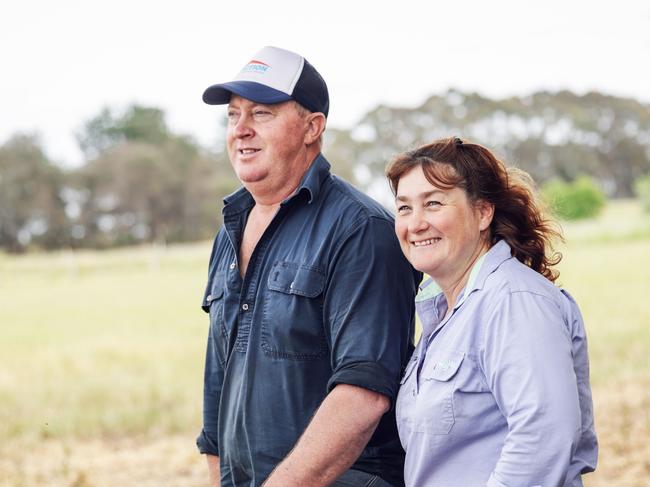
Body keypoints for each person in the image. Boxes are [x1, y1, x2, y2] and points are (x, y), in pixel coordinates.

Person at [197, 46, 420, 487]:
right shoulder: (230, 231)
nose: (240, 130)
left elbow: (364, 394)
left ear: (312, 127)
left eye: (261, 113)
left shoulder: (362, 230)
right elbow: (218, 379)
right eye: (233, 115)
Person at [385, 137, 598, 486]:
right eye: (404, 207)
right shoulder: (445, 310)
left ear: (483, 212)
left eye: (433, 203)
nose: (416, 223)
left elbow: (542, 438)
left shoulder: (514, 301)